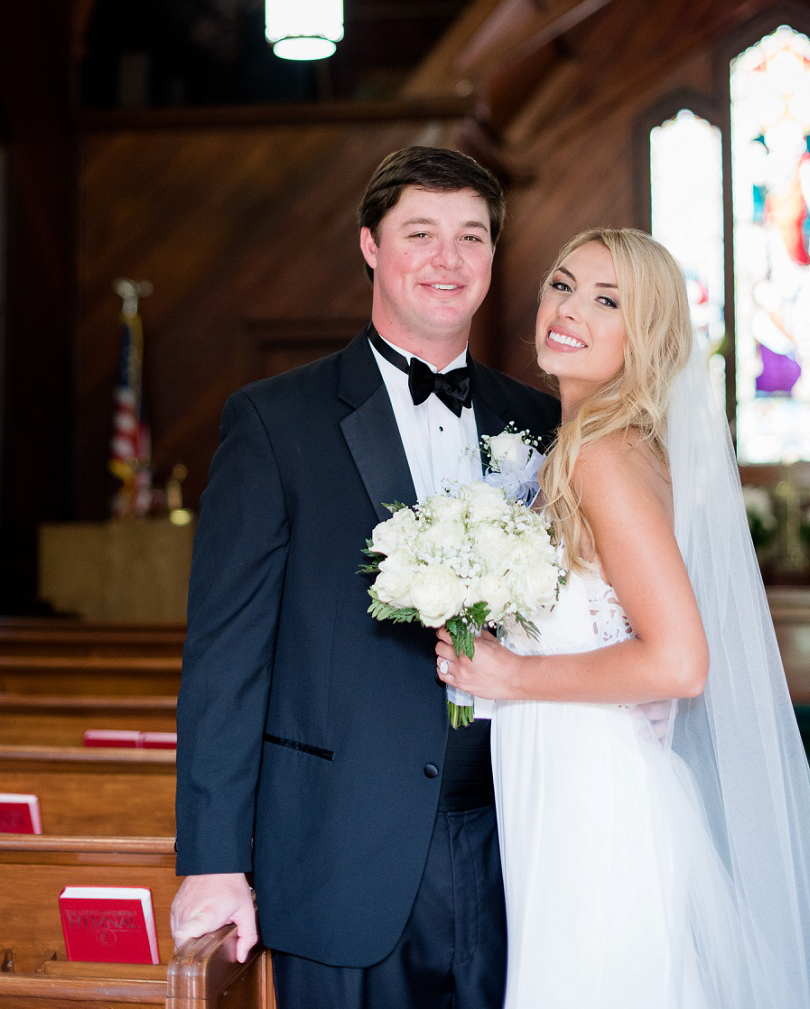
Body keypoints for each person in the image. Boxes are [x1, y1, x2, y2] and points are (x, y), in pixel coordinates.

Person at [435, 227, 810, 1009]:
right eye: (563, 284)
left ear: (647, 337)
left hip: (596, 797)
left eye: (608, 300)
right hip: (561, 779)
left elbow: (680, 661)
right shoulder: (576, 446)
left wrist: (510, 672)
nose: (568, 309)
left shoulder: (603, 455)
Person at [170, 146, 560, 1009]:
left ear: (494, 259)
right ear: (370, 246)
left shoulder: (541, 422)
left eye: (472, 236)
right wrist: (211, 858)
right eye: (420, 232)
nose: (448, 258)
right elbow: (226, 656)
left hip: (520, 841)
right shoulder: (273, 420)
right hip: (337, 843)